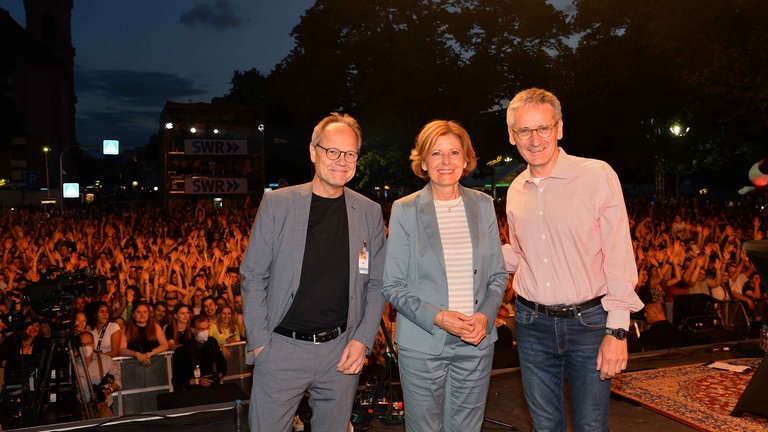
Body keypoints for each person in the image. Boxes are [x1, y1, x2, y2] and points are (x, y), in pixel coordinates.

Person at [502, 88, 643, 431]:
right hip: (532, 325)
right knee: (545, 426)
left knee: (591, 426)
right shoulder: (515, 189)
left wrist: (618, 331)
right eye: (524, 130)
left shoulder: (596, 176)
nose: (534, 139)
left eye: (543, 128)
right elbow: (518, 254)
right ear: (512, 136)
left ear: (560, 128)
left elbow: (618, 254)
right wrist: (465, 254)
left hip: (590, 325)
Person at [241, 112, 386, 432]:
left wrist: (362, 340)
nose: (341, 160)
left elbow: (377, 283)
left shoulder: (369, 211)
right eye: (332, 151)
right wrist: (261, 343)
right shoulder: (278, 204)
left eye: (349, 154)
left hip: (342, 351)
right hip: (280, 348)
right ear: (313, 151)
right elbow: (252, 275)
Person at [381, 120, 507, 431]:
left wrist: (484, 317)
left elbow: (498, 275)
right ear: (423, 162)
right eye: (436, 153)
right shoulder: (404, 209)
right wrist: (440, 317)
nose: (446, 161)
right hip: (423, 342)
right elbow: (392, 285)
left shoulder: (484, 205)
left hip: (475, 341)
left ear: (466, 160)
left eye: (454, 152)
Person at [171, 314, 227, 390]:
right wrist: (198, 381)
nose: (205, 332)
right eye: (201, 329)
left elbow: (222, 365)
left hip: (212, 386)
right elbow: (177, 380)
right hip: (192, 391)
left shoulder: (212, 343)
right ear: (193, 330)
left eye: (207, 328)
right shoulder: (182, 350)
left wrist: (217, 377)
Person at [75, 331, 121, 417]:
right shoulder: (73, 363)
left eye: (88, 343)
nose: (86, 347)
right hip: (82, 411)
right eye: (83, 344)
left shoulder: (105, 360)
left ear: (93, 344)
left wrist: (108, 390)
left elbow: (118, 381)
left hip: (102, 409)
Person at [118, 300, 169, 366]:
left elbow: (165, 345)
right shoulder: (126, 329)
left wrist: (149, 354)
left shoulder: (155, 327)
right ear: (133, 314)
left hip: (154, 364)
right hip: (132, 366)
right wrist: (136, 354)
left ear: (148, 314)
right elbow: (121, 350)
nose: (142, 315)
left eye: (145, 312)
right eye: (138, 312)